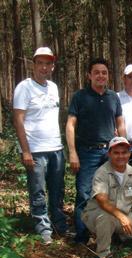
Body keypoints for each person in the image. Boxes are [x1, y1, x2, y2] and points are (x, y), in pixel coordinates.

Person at [66, 58, 126, 244]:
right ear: (89, 75)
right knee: (84, 193)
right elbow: (70, 125)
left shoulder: (113, 97)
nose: (101, 75)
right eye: (97, 72)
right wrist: (73, 152)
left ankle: (113, 232)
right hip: (86, 152)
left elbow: (120, 123)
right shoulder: (80, 97)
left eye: (104, 72)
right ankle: (82, 236)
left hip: (110, 153)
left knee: (113, 193)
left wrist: (123, 148)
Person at [13, 47, 67, 244]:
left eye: (48, 63)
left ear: (52, 66)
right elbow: (18, 120)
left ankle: (59, 225)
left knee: (57, 189)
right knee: (38, 191)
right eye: (40, 63)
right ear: (33, 65)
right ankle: (43, 228)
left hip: (56, 148)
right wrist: (25, 150)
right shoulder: (24, 88)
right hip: (35, 150)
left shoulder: (53, 87)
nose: (44, 67)